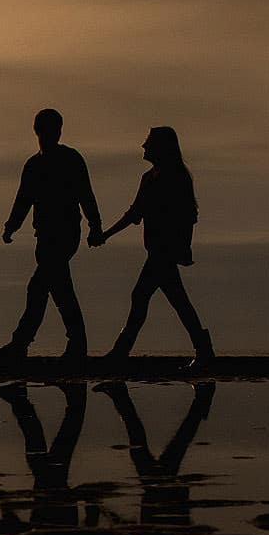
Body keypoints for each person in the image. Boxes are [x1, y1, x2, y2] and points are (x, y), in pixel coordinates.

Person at [94, 126, 214, 368]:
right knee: (176, 300)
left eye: (148, 142)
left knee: (143, 295)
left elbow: (188, 215)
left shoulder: (177, 177)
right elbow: (134, 213)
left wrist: (183, 248)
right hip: (157, 250)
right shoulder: (149, 178)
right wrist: (106, 234)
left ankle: (121, 352)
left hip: (165, 251)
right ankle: (203, 349)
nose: (143, 146)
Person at [0, 108, 103, 362]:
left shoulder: (71, 159)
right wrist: (11, 226)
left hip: (65, 235)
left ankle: (23, 344)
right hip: (44, 237)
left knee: (41, 288)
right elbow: (24, 199)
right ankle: (72, 345)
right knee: (55, 289)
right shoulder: (34, 165)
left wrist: (95, 225)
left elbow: (86, 195)